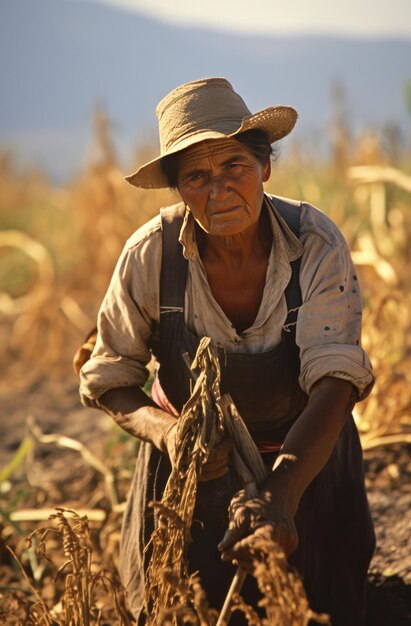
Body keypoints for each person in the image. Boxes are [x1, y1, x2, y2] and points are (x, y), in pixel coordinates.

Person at [78, 77, 376, 626]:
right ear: (177, 190)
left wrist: (281, 494)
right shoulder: (152, 256)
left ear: (265, 166)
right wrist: (170, 434)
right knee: (183, 608)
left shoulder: (314, 243)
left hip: (306, 454)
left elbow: (335, 380)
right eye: (196, 176)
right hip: (190, 471)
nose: (218, 190)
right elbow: (108, 378)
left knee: (322, 607)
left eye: (234, 166)